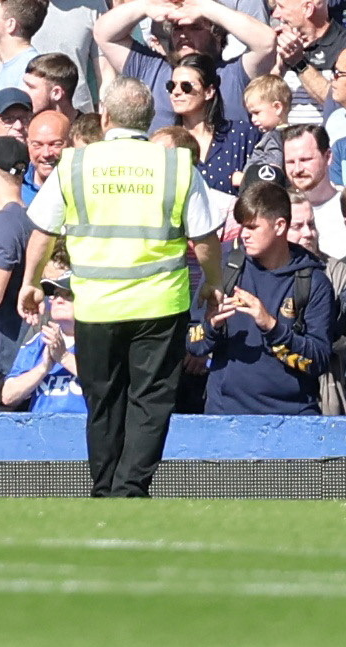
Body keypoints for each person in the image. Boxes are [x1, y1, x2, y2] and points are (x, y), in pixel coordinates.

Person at [20, 71, 207, 499]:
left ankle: (105, 488)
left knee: (103, 399)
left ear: (105, 117)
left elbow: (43, 233)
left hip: (97, 303)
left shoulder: (75, 164)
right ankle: (131, 488)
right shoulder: (176, 165)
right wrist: (213, 284)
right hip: (160, 304)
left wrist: (31, 282)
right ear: (150, 118)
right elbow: (205, 239)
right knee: (150, 401)